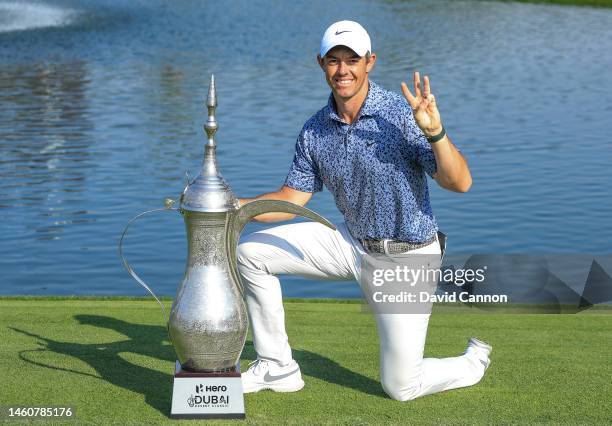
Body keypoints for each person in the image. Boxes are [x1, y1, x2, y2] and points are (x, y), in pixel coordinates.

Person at [236, 20, 492, 401]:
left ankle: (472, 361)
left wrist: (435, 132)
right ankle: (277, 367)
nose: (343, 70)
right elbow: (291, 200)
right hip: (350, 244)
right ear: (321, 63)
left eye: (352, 59)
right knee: (250, 253)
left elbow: (460, 182)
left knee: (402, 387)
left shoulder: (401, 115)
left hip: (408, 257)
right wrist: (231, 205)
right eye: (334, 60)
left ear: (370, 62)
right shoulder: (314, 130)